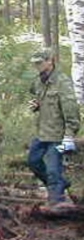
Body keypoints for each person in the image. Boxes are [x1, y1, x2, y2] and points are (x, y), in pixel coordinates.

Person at [26, 48, 80, 210]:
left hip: (58, 134)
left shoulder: (62, 82)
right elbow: (37, 96)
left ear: (50, 61)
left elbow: (71, 110)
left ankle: (57, 200)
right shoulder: (39, 81)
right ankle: (59, 185)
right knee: (33, 161)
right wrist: (37, 105)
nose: (37, 66)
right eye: (35, 63)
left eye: (40, 63)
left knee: (52, 167)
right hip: (43, 132)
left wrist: (69, 135)